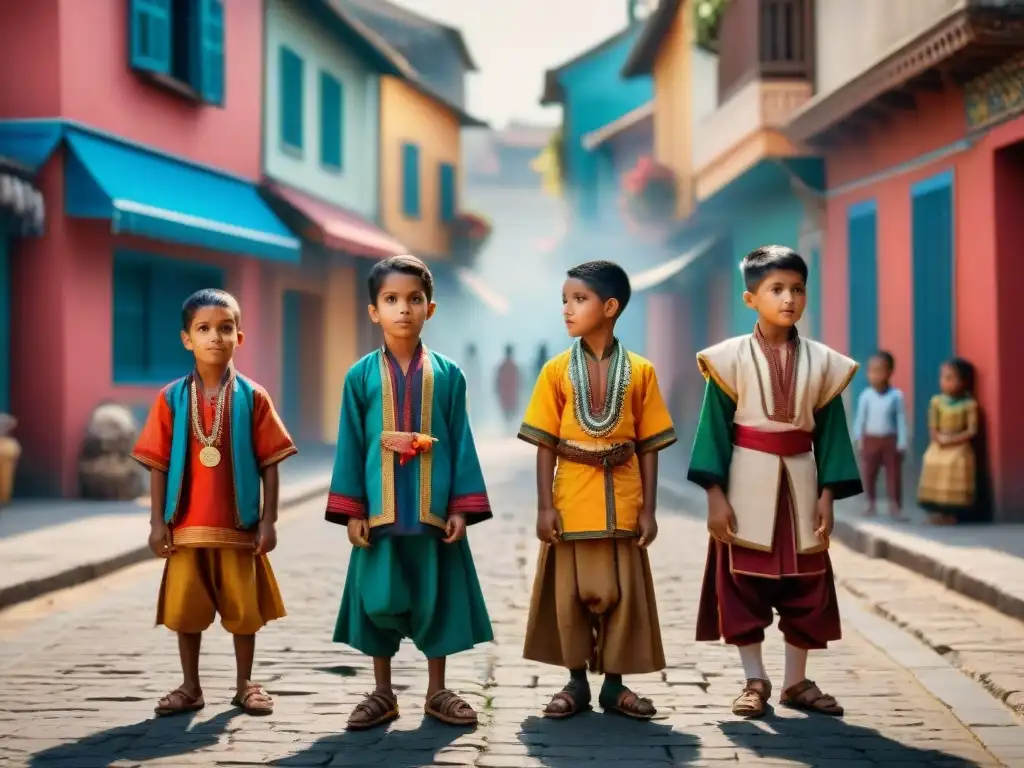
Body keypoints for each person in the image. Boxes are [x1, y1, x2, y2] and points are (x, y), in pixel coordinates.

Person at [688, 245, 862, 719]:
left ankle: (795, 682)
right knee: (743, 582)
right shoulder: (727, 360)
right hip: (746, 482)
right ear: (751, 298)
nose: (789, 298)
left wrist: (828, 495)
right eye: (776, 289)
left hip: (803, 484)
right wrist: (715, 496)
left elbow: (831, 435)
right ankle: (754, 680)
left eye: (798, 289)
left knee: (806, 584)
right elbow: (713, 431)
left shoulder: (825, 364)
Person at [326, 255, 494, 731]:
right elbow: (351, 443)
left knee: (435, 597)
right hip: (379, 513)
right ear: (373, 311)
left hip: (432, 511)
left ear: (430, 309)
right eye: (392, 299)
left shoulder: (449, 374)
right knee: (377, 599)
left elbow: (460, 439)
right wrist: (352, 509)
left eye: (414, 300)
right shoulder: (359, 376)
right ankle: (382, 692)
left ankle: (437, 690)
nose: (404, 309)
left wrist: (461, 507)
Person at [518, 260, 676, 720]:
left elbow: (650, 446)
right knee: (569, 596)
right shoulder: (555, 371)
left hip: (623, 501)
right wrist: (544, 506)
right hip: (570, 501)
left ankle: (615, 686)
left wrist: (649, 509)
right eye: (564, 300)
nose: (567, 309)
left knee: (622, 596)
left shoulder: (642, 372)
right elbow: (544, 443)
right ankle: (574, 682)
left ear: (610, 307)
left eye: (579, 299)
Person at [131, 289, 295, 717]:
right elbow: (158, 465)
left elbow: (270, 463)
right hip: (186, 526)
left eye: (225, 328)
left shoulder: (253, 397)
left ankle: (245, 684)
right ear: (187, 339)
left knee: (245, 611)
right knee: (187, 609)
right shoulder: (170, 398)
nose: (215, 337)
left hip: (238, 527)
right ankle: (190, 686)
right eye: (203, 329)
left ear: (240, 336)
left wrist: (269, 521)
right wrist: (156, 522)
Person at [918, 357, 978, 526]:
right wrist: (939, 438)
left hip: (959, 445)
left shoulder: (969, 404)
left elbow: (972, 430)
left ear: (963, 381)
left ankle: (953, 513)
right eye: (944, 378)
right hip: (940, 443)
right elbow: (933, 427)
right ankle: (937, 512)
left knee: (956, 462)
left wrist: (954, 440)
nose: (946, 382)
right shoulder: (936, 402)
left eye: (951, 378)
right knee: (930, 459)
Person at [852, 351, 907, 519]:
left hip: (890, 439)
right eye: (871, 370)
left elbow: (901, 419)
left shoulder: (896, 396)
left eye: (880, 370)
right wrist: (859, 438)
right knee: (869, 472)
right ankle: (870, 502)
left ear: (890, 372)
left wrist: (902, 442)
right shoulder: (866, 396)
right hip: (870, 439)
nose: (875, 375)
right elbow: (860, 418)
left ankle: (895, 505)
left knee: (894, 474)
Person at [496, 345, 521, 434]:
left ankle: (508, 430)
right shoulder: (514, 366)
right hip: (511, 395)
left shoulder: (502, 366)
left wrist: (497, 391)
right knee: (510, 413)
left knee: (507, 414)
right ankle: (509, 430)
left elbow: (497, 381)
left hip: (506, 395)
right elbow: (519, 382)